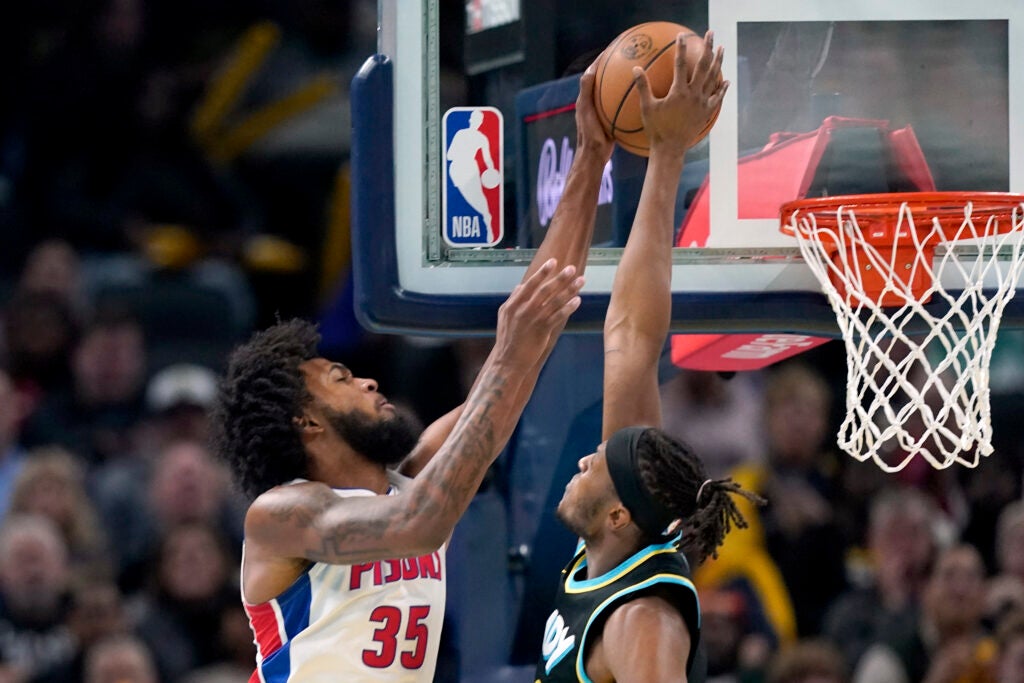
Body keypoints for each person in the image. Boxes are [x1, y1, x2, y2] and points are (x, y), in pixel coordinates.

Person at [209, 56, 617, 680]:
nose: (369, 380)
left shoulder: (417, 477)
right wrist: (508, 349)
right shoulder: (283, 515)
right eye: (341, 380)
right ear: (306, 423)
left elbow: (535, 331)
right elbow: (420, 523)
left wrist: (591, 155)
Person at [534, 31, 760, 683]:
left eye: (597, 463)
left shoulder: (645, 617)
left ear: (617, 517)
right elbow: (630, 337)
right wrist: (658, 157)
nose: (585, 457)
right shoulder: (618, 562)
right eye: (598, 459)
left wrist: (664, 152)